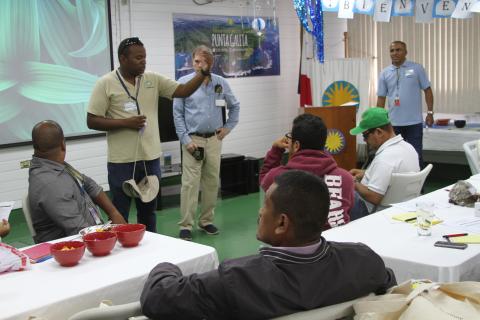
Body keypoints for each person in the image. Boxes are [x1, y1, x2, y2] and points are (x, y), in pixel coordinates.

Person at [140, 170, 396, 320]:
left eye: (265, 205)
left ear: (282, 223)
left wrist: (166, 264)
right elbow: (388, 286)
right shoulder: (364, 261)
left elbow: (157, 298)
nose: (260, 212)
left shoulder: (238, 280)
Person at [87, 37, 211, 232]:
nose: (143, 61)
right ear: (123, 59)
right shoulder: (105, 83)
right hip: (122, 162)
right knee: (121, 212)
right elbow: (92, 120)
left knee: (148, 212)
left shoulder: (152, 79)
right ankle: (122, 255)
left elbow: (184, 90)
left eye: (144, 57)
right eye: (138, 58)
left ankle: (150, 250)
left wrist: (203, 73)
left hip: (150, 159)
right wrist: (125, 123)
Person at [173, 45, 240, 240]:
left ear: (211, 63)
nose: (199, 65)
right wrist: (185, 140)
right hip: (192, 140)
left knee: (211, 182)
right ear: (192, 62)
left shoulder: (220, 83)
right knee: (190, 184)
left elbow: (235, 106)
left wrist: (227, 128)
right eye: (196, 61)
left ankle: (206, 221)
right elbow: (177, 115)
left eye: (203, 61)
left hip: (213, 139)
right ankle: (186, 224)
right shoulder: (183, 83)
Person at [28, 120, 126, 244]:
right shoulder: (49, 183)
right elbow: (79, 230)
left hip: (90, 236)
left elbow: (88, 183)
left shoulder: (56, 165)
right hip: (73, 248)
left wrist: (113, 212)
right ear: (63, 144)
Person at [260, 113, 354, 228]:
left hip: (296, 244)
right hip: (336, 242)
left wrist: (275, 150)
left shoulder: (279, 177)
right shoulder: (345, 178)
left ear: (296, 145)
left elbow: (264, 180)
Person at [349, 108, 420, 220]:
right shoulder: (408, 148)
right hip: (404, 208)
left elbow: (374, 197)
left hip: (374, 212)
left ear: (379, 132)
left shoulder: (385, 158)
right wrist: (366, 173)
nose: (364, 140)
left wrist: (353, 183)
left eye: (365, 135)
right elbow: (390, 174)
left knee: (340, 193)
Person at [376, 40, 434, 167]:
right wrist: (378, 120)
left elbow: (427, 91)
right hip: (393, 124)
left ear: (405, 52)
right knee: (394, 158)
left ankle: (419, 187)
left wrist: (430, 113)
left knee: (415, 156)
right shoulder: (384, 73)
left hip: (414, 123)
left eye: (398, 50)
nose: (395, 53)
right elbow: (381, 98)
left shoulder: (417, 68)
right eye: (392, 50)